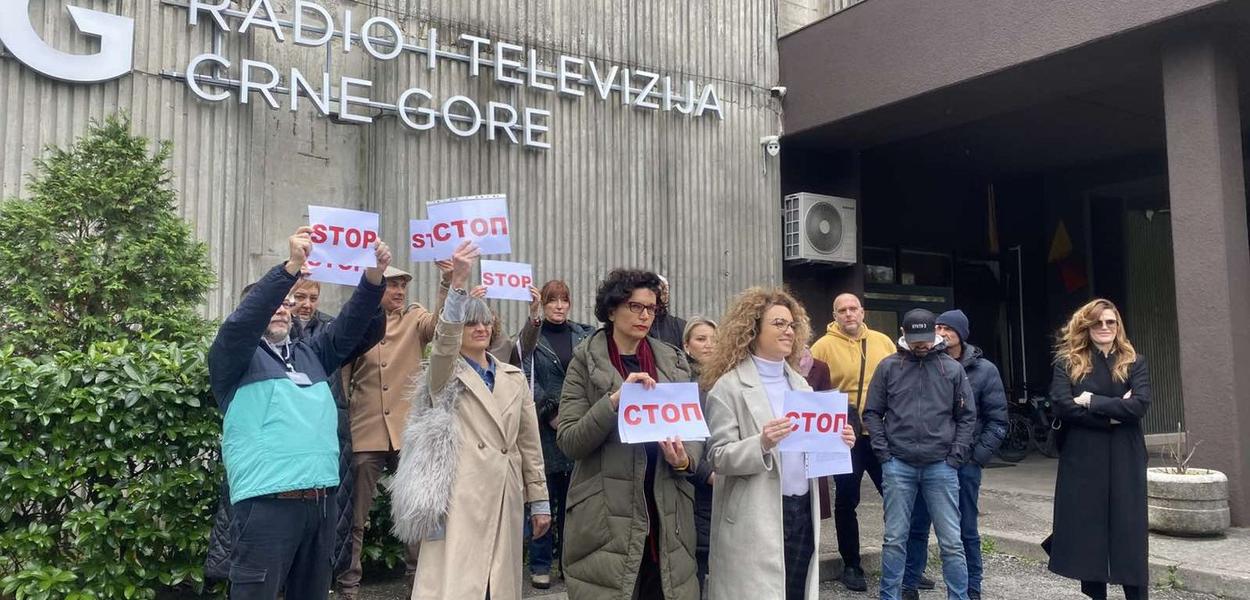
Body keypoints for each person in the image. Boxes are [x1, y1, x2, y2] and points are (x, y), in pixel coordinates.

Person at [207, 227, 389, 600]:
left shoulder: (310, 353)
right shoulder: (234, 357)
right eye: (274, 303)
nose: (282, 309)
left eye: (287, 304)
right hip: (266, 504)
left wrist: (372, 277)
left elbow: (353, 326)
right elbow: (244, 322)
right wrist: (291, 267)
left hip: (319, 503)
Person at [390, 241, 551, 600]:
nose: (480, 328)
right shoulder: (444, 372)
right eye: (470, 322)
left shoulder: (512, 375)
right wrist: (457, 283)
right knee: (460, 583)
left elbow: (529, 442)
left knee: (499, 583)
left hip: (506, 491)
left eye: (485, 321)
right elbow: (443, 342)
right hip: (461, 493)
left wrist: (539, 500)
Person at [702, 288, 856, 600]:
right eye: (779, 324)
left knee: (795, 591)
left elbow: (810, 449)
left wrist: (839, 441)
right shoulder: (728, 387)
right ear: (753, 328)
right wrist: (761, 442)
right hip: (755, 514)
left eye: (792, 325)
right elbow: (718, 457)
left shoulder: (801, 385)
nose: (789, 331)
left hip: (801, 509)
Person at [557, 268, 701, 600]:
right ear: (611, 310)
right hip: (606, 520)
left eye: (651, 308)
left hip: (666, 517)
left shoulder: (672, 361)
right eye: (635, 306)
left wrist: (684, 459)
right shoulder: (584, 361)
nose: (645, 315)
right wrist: (614, 402)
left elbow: (693, 430)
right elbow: (569, 440)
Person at [336, 262, 451, 599]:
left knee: (417, 508)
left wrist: (446, 282)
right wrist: (341, 420)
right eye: (392, 285)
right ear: (376, 287)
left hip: (407, 430)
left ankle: (420, 582)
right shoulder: (359, 322)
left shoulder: (416, 319)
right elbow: (343, 374)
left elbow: (442, 326)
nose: (399, 292)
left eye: (403, 286)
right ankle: (348, 585)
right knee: (355, 516)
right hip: (365, 428)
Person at [863, 308, 976, 600]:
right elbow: (872, 413)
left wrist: (955, 456)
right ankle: (890, 597)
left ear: (936, 334)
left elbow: (966, 417)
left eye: (926, 338)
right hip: (898, 464)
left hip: (941, 465)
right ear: (903, 333)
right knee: (894, 539)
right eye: (916, 339)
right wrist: (884, 454)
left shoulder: (951, 368)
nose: (922, 344)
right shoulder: (888, 367)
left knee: (951, 542)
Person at [1045, 299, 1151, 600]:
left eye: (1111, 322)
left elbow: (1139, 405)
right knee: (1087, 531)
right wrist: (1115, 415)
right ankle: (1095, 595)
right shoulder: (1068, 362)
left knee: (1129, 532)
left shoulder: (1134, 362)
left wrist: (1091, 401)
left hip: (1125, 456)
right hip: (1083, 457)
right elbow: (1063, 406)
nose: (1105, 328)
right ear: (1086, 326)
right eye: (1098, 323)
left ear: (1118, 327)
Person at [901, 310, 1008, 600]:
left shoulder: (984, 370)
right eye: (937, 327)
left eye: (948, 328)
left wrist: (976, 457)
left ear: (961, 334)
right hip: (928, 459)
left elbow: (998, 420)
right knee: (918, 525)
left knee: (966, 529)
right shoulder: (925, 363)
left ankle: (972, 588)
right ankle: (909, 583)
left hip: (964, 463)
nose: (941, 332)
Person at [809, 292, 897, 591]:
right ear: (834, 315)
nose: (849, 314)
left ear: (863, 312)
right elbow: (813, 388)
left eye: (853, 309)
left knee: (897, 497)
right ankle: (851, 564)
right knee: (847, 499)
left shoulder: (883, 341)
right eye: (842, 310)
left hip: (881, 432)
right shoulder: (822, 346)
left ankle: (904, 563)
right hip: (844, 434)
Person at [515, 280, 596, 589]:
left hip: (577, 425)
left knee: (573, 501)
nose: (559, 306)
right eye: (552, 301)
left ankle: (568, 563)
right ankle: (539, 564)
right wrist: (548, 411)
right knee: (543, 498)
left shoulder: (585, 335)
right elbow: (523, 374)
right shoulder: (532, 338)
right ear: (544, 305)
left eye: (564, 301)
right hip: (544, 428)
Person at [682, 316, 718, 595]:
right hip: (695, 487)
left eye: (714, 339)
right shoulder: (680, 385)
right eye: (701, 339)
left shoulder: (731, 380)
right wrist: (707, 474)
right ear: (686, 346)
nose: (709, 346)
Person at [648, 274, 688, 350]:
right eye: (656, 291)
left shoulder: (679, 325)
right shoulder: (638, 323)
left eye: (664, 291)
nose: (660, 295)